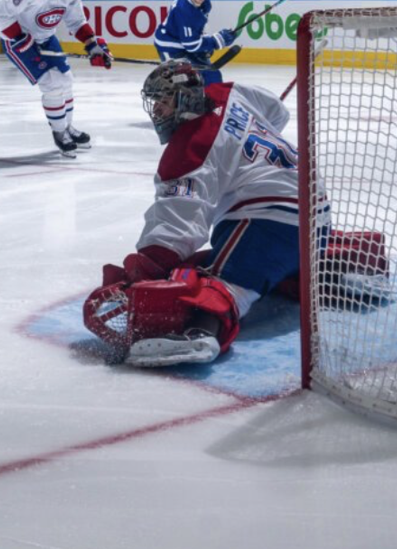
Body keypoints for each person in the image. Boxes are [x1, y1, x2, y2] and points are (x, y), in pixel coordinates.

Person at [82, 62, 308, 367]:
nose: (157, 111)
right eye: (155, 102)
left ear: (187, 99)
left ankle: (201, 335)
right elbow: (275, 111)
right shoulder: (227, 92)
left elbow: (178, 228)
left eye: (164, 101)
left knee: (219, 282)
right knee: (239, 258)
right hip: (314, 211)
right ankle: (321, 264)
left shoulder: (190, 147)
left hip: (271, 219)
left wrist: (147, 267)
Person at [0, 0, 111, 156]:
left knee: (67, 81)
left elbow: (76, 21)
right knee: (52, 84)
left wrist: (92, 44)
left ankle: (66, 126)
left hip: (46, 37)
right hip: (17, 39)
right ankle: (59, 132)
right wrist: (20, 37)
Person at [152, 0, 236, 85]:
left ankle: (209, 99)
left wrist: (206, 43)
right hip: (169, 46)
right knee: (187, 79)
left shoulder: (205, 4)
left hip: (183, 43)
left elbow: (196, 30)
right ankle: (169, 90)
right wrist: (215, 41)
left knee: (211, 74)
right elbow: (191, 45)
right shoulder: (185, 9)